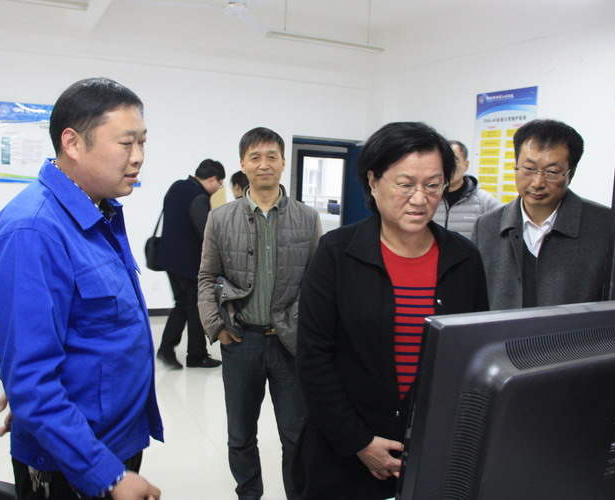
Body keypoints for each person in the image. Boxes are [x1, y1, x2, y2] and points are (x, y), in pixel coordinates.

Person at [0, 78, 162, 500]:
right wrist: (109, 477)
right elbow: (30, 381)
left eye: (143, 143)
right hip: (78, 463)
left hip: (109, 438)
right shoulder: (33, 231)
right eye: (126, 143)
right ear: (73, 143)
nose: (138, 157)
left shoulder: (98, 212)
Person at [292, 122, 489, 499]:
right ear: (373, 181)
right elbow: (314, 359)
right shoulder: (336, 254)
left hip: (433, 451)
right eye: (405, 184)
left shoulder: (464, 259)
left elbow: (475, 361)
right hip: (344, 453)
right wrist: (360, 442)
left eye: (433, 185)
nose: (420, 198)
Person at [198, 127, 321, 500]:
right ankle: (248, 494)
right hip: (241, 339)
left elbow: (316, 282)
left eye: (271, 157)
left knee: (296, 435)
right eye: (255, 157)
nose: (263, 164)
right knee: (240, 435)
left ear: (283, 162)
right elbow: (206, 277)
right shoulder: (221, 218)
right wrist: (216, 326)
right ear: (242, 164)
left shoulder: (307, 217)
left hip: (290, 342)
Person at [471, 119, 611, 310]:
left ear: (571, 173)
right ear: (515, 166)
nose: (537, 182)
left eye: (552, 171)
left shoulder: (605, 226)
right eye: (529, 169)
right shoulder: (487, 226)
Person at [155, 158, 225, 369]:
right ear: (212, 179)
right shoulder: (199, 197)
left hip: (169, 259)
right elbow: (206, 233)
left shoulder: (177, 187)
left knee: (182, 305)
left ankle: (166, 349)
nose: (219, 188)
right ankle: (196, 356)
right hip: (188, 264)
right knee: (195, 310)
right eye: (220, 183)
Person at [432, 140, 500, 239]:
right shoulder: (430, 197)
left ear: (466, 165)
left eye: (454, 160)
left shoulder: (484, 201)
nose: (449, 166)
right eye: (445, 161)